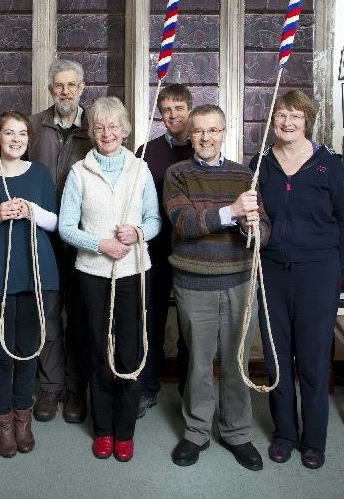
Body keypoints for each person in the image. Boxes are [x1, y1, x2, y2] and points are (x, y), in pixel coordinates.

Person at [165, 104, 270, 471]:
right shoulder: (177, 174)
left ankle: (237, 432)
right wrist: (232, 212)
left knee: (237, 362)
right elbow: (184, 223)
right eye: (199, 132)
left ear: (224, 132)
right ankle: (196, 432)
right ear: (189, 135)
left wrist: (250, 226)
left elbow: (264, 231)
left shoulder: (246, 176)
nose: (206, 138)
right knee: (198, 364)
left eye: (213, 130)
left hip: (240, 282)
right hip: (195, 285)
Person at [251, 90, 344, 469]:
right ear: (273, 121)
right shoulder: (260, 164)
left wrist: (335, 269)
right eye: (281, 115)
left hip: (319, 273)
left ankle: (314, 441)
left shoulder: (329, 164)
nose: (287, 122)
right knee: (277, 359)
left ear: (306, 120)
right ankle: (285, 434)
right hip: (273, 271)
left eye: (295, 115)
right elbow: (257, 219)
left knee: (312, 360)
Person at [59, 96, 161, 462]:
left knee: (131, 352)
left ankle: (125, 430)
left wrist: (137, 232)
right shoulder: (79, 172)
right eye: (100, 127)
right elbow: (66, 227)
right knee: (99, 350)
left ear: (125, 129)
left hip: (134, 273)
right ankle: (103, 429)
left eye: (114, 126)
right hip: (93, 274)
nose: (107, 133)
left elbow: (154, 220)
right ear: (92, 131)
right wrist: (99, 243)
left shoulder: (140, 169)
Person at [0, 111, 60, 458]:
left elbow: (55, 222)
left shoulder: (39, 175)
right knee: (0, 352)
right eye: (9, 133)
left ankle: (24, 417)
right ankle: (3, 420)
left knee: (28, 351)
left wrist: (31, 210)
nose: (16, 139)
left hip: (36, 273)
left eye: (22, 133)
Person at [28, 59, 93, 423]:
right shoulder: (34, 126)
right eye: (59, 86)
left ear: (82, 87)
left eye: (72, 85)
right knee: (48, 316)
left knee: (81, 317)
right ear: (51, 89)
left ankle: (75, 389)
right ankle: (50, 388)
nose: (65, 91)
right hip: (43, 236)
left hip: (82, 237)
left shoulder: (95, 128)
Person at [135, 83, 193, 418]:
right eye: (167, 110)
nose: (173, 115)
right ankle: (147, 387)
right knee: (150, 319)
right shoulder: (147, 152)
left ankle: (189, 388)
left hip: (191, 249)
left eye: (179, 108)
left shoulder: (203, 146)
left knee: (190, 324)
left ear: (189, 108)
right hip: (155, 249)